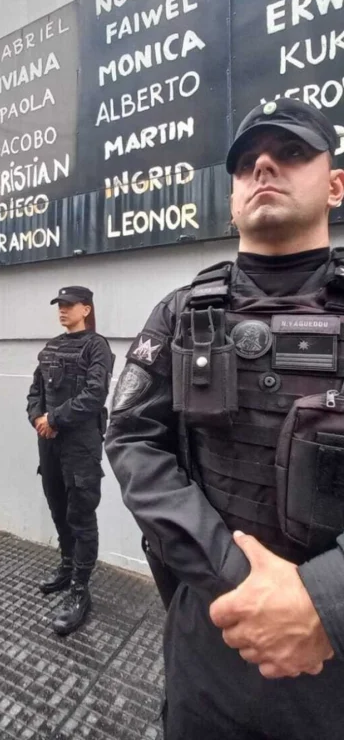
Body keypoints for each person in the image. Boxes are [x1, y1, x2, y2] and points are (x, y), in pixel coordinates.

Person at [105, 98, 344, 739]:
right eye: (244, 163)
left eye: (291, 152)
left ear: (335, 183)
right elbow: (131, 436)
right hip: (214, 633)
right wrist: (236, 581)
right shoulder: (183, 313)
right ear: (234, 195)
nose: (263, 165)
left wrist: (325, 600)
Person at [27, 285, 113, 636]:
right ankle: (66, 566)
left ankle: (80, 588)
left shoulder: (97, 346)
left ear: (86, 309)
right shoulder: (51, 346)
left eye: (68, 305)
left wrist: (54, 419)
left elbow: (95, 395)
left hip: (80, 443)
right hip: (48, 442)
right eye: (59, 305)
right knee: (58, 506)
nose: (62, 310)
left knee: (81, 513)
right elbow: (36, 391)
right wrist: (36, 418)